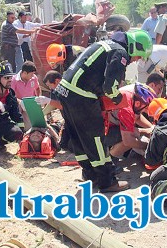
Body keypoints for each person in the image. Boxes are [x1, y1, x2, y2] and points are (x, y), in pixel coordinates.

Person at [54, 30, 152, 193]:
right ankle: (107, 182)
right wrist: (119, 100)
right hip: (82, 97)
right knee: (97, 141)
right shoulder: (120, 52)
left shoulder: (105, 44)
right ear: (135, 47)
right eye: (139, 56)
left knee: (80, 140)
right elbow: (110, 87)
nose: (137, 60)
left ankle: (91, 176)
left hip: (65, 93)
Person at [105, 83, 156, 159]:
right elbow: (128, 141)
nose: (146, 111)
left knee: (135, 131)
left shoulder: (131, 97)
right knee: (132, 135)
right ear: (138, 103)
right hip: (97, 133)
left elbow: (138, 118)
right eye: (145, 108)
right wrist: (147, 146)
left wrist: (152, 128)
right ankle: (111, 158)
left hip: (103, 125)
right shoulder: (126, 109)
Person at [11, 61, 41, 129]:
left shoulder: (34, 78)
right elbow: (11, 96)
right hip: (19, 105)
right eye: (31, 74)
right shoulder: (14, 80)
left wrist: (38, 98)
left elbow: (37, 88)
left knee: (31, 127)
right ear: (24, 73)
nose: (32, 76)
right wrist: (21, 102)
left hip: (31, 104)